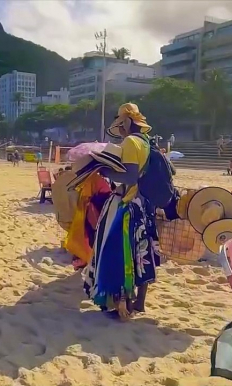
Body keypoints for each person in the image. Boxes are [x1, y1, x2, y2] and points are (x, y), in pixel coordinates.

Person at [84, 103, 161, 320]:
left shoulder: (130, 142)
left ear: (125, 123)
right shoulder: (146, 142)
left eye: (120, 125)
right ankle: (140, 302)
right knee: (142, 253)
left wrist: (104, 170)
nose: (119, 131)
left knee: (118, 253)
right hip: (143, 204)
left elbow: (129, 177)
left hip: (127, 204)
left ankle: (123, 304)